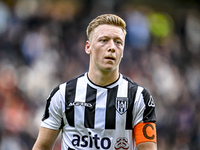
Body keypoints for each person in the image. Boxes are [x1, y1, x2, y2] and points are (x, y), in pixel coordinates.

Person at [32, 14, 157, 150]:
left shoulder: (139, 98)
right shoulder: (62, 94)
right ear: (88, 47)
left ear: (123, 50)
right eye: (104, 40)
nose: (112, 47)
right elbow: (42, 147)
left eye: (118, 42)